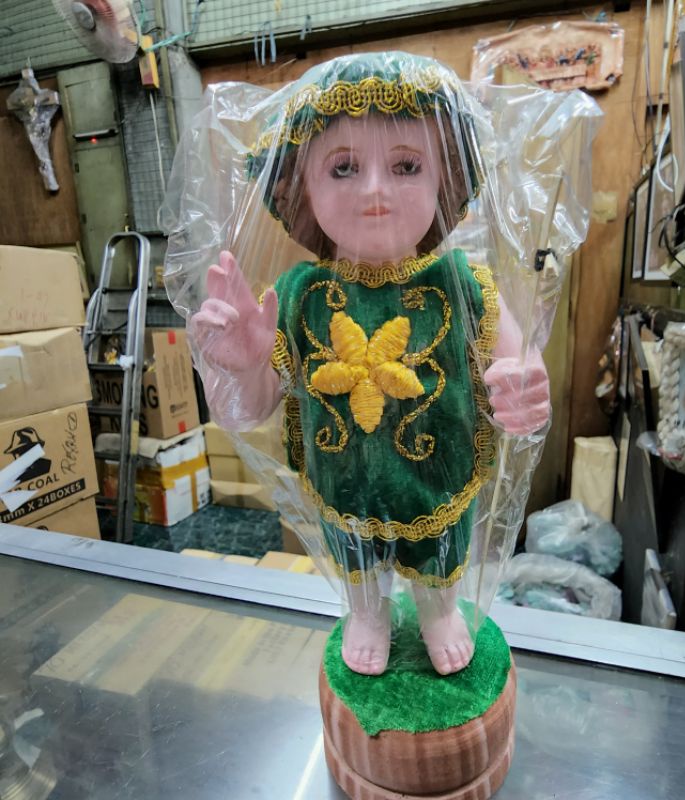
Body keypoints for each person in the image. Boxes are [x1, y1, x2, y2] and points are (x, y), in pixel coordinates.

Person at [189, 52, 549, 676]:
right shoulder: (298, 295)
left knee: (441, 551)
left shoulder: (464, 284)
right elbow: (250, 413)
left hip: (439, 472)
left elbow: (515, 362)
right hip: (343, 481)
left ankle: (439, 609)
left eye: (406, 166)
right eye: (344, 167)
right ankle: (367, 611)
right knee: (353, 553)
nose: (376, 189)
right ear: (302, 188)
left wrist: (524, 387)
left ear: (444, 178)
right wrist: (243, 368)